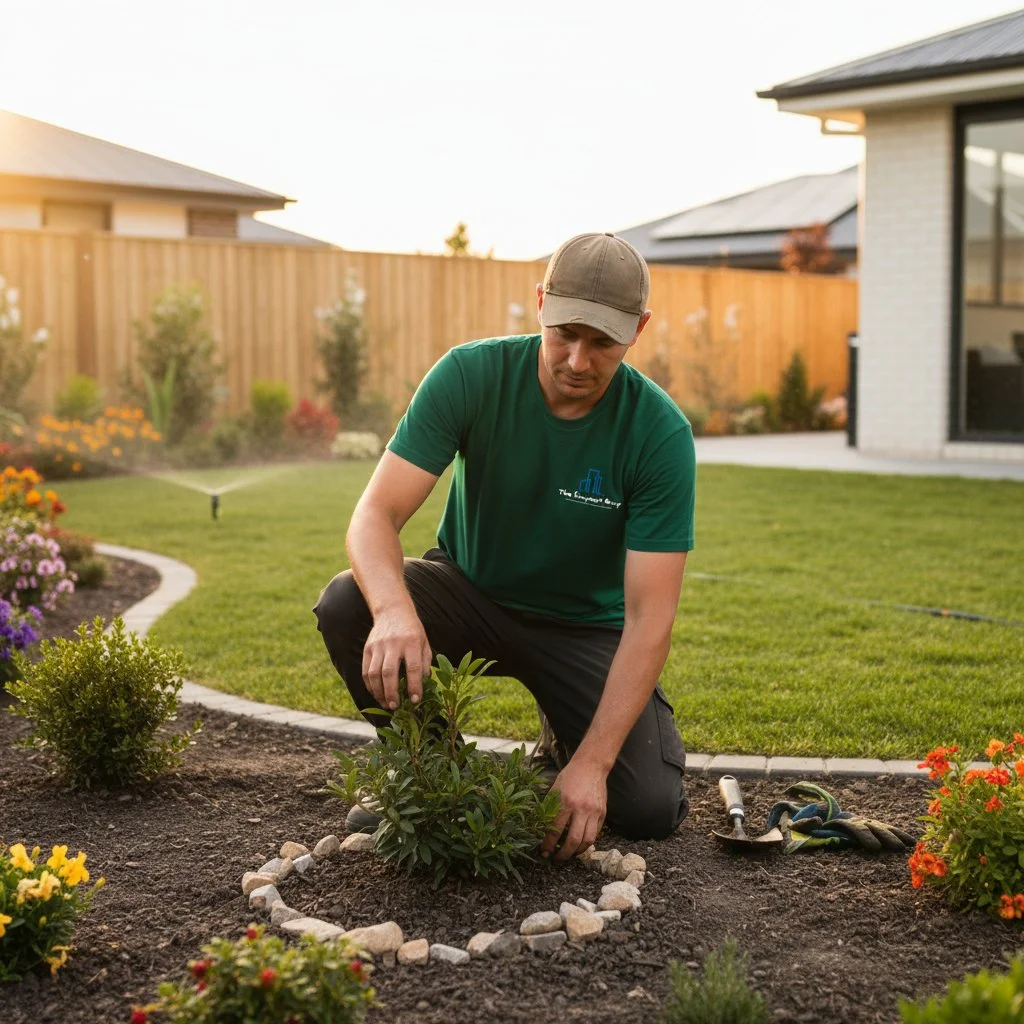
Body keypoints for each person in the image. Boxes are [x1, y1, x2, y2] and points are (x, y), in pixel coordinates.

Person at [314, 231, 696, 862]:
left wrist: (594, 764)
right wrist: (394, 611)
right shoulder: (470, 375)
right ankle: (432, 773)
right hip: (472, 591)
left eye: (602, 342)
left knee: (648, 808)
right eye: (565, 333)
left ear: (640, 329)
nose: (577, 360)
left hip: (584, 628)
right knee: (348, 602)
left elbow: (650, 619)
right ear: (540, 303)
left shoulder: (658, 434)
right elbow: (374, 515)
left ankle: (567, 752)